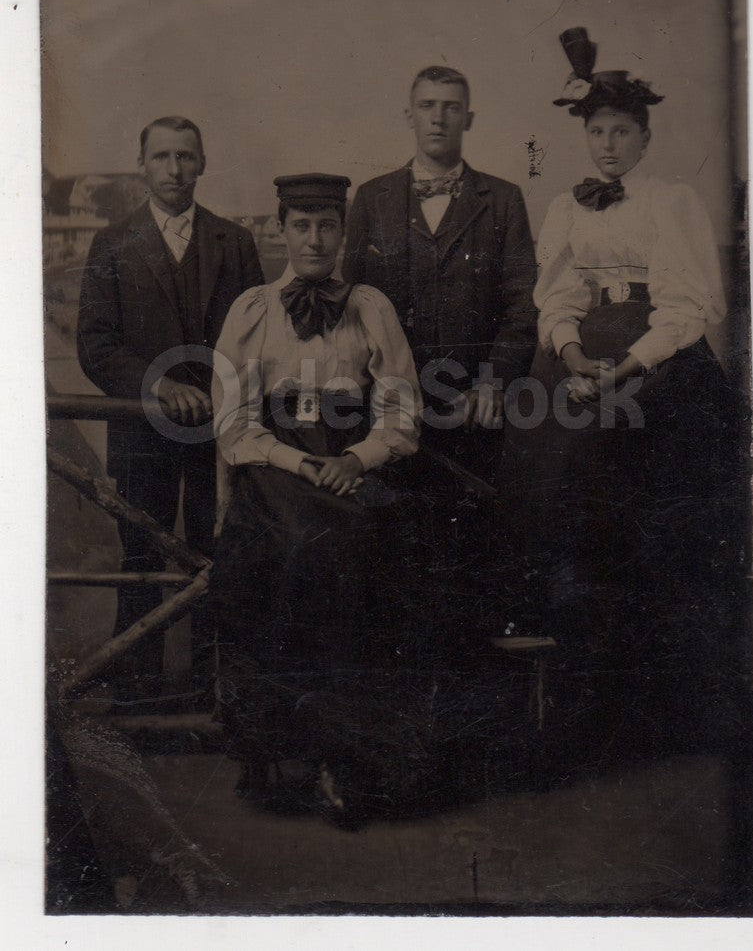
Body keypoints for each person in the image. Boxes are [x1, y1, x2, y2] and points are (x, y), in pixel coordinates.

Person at [499, 29, 741, 752]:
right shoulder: (570, 207)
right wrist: (572, 356)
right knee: (547, 490)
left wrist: (624, 369)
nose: (608, 145)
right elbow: (558, 299)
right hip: (580, 362)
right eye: (597, 131)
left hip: (655, 368)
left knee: (645, 517)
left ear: (645, 137)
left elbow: (686, 309)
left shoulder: (671, 202)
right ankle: (568, 692)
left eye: (623, 132)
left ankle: (651, 707)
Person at [211, 174, 425, 821]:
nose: (314, 239)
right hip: (276, 468)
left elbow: (402, 409)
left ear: (342, 232)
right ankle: (276, 744)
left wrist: (357, 456)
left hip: (351, 461)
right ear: (278, 228)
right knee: (305, 545)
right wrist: (300, 460)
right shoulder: (253, 308)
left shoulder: (371, 307)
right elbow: (234, 424)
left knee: (378, 544)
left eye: (327, 225)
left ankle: (348, 756)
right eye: (301, 225)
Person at [342, 66, 538, 641]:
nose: (438, 116)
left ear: (468, 119)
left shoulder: (502, 200)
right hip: (387, 404)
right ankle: (396, 680)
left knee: (466, 541)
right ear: (409, 116)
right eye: (426, 105)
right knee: (386, 533)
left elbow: (522, 305)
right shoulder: (372, 198)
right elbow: (353, 303)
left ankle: (463, 682)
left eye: (451, 107)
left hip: (471, 407)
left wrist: (495, 381)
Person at [77, 116, 264, 704]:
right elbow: (96, 344)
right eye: (162, 157)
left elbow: (258, 335)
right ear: (142, 165)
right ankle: (136, 686)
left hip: (218, 433)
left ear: (203, 163)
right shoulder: (111, 243)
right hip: (141, 432)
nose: (175, 169)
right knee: (141, 551)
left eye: (186, 156)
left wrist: (217, 392)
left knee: (217, 550)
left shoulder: (234, 242)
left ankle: (214, 688)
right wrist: (159, 385)